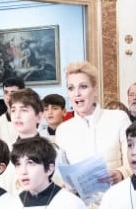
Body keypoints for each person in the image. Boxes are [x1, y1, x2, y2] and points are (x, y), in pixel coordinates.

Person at [54, 62, 131, 199]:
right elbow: (60, 175)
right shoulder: (63, 130)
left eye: (83, 87)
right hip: (82, 208)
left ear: (95, 89)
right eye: (71, 88)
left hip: (117, 200)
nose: (77, 93)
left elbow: (134, 160)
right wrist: (66, 186)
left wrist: (120, 173)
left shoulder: (118, 118)